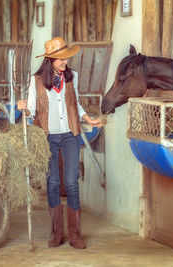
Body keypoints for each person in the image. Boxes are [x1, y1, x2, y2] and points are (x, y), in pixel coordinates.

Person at [17, 37, 105, 249]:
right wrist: (24, 108)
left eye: (66, 57)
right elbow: (31, 111)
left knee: (72, 181)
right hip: (47, 137)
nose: (65, 61)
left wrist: (88, 119)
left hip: (70, 134)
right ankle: (57, 233)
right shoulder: (36, 80)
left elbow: (77, 104)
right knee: (53, 183)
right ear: (50, 60)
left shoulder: (71, 77)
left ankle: (75, 234)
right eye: (60, 59)